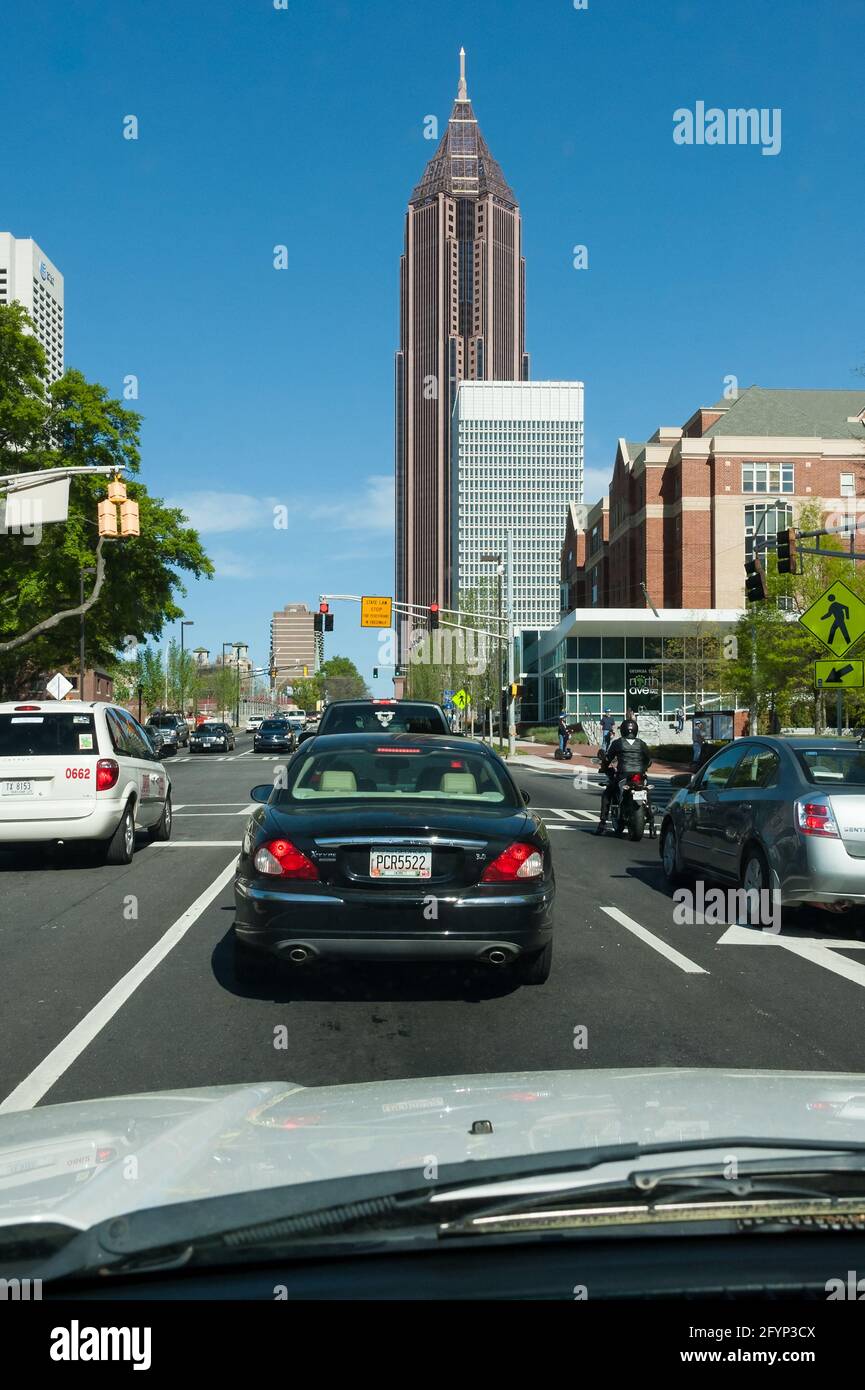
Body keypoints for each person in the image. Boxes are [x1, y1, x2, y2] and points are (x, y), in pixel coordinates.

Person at [595, 718, 653, 834]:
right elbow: (649, 760)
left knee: (607, 793)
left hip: (623, 775)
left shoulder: (618, 743)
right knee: (646, 795)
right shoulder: (641, 744)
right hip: (639, 775)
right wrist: (644, 768)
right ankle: (652, 824)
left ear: (622, 730)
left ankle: (602, 823)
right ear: (635, 730)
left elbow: (607, 758)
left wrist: (604, 767)